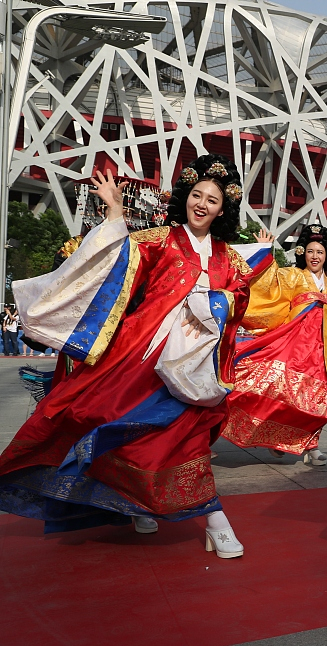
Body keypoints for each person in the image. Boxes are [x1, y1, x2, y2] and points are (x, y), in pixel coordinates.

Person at [0, 156, 265, 558]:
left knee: (188, 438)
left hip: (194, 365)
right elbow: (113, 266)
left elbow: (240, 298)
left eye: (212, 200)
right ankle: (136, 502)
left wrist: (215, 302)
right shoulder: (158, 240)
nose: (202, 204)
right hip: (140, 359)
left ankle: (215, 519)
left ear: (222, 209)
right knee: (116, 427)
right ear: (184, 198)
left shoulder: (230, 259)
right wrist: (115, 211)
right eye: (196, 194)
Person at [220, 224, 327, 465]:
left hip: (320, 355)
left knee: (316, 401)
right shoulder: (294, 276)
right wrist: (266, 249)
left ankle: (312, 446)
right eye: (310, 251)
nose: (315, 256)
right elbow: (269, 283)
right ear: (302, 254)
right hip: (293, 349)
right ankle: (276, 439)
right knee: (282, 394)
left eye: (319, 252)